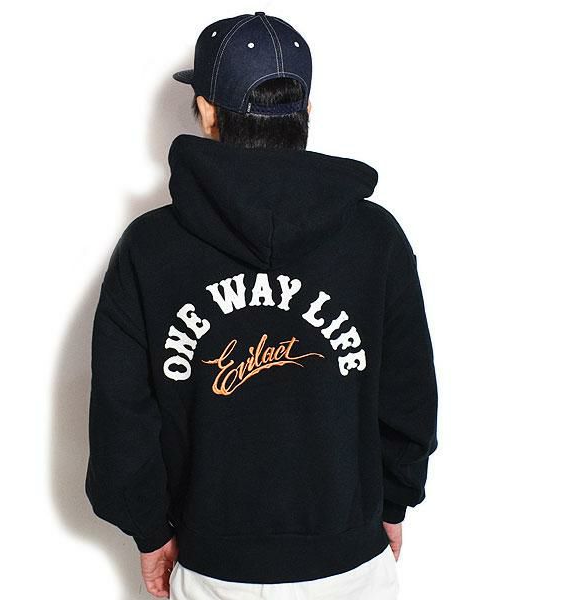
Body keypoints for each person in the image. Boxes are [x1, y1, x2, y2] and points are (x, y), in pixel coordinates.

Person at [85, 11, 438, 599]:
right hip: (351, 564)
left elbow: (122, 416)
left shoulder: (149, 249)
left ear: (207, 110)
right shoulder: (376, 239)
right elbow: (410, 395)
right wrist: (394, 500)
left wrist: (150, 532)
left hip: (215, 569)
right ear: (307, 109)